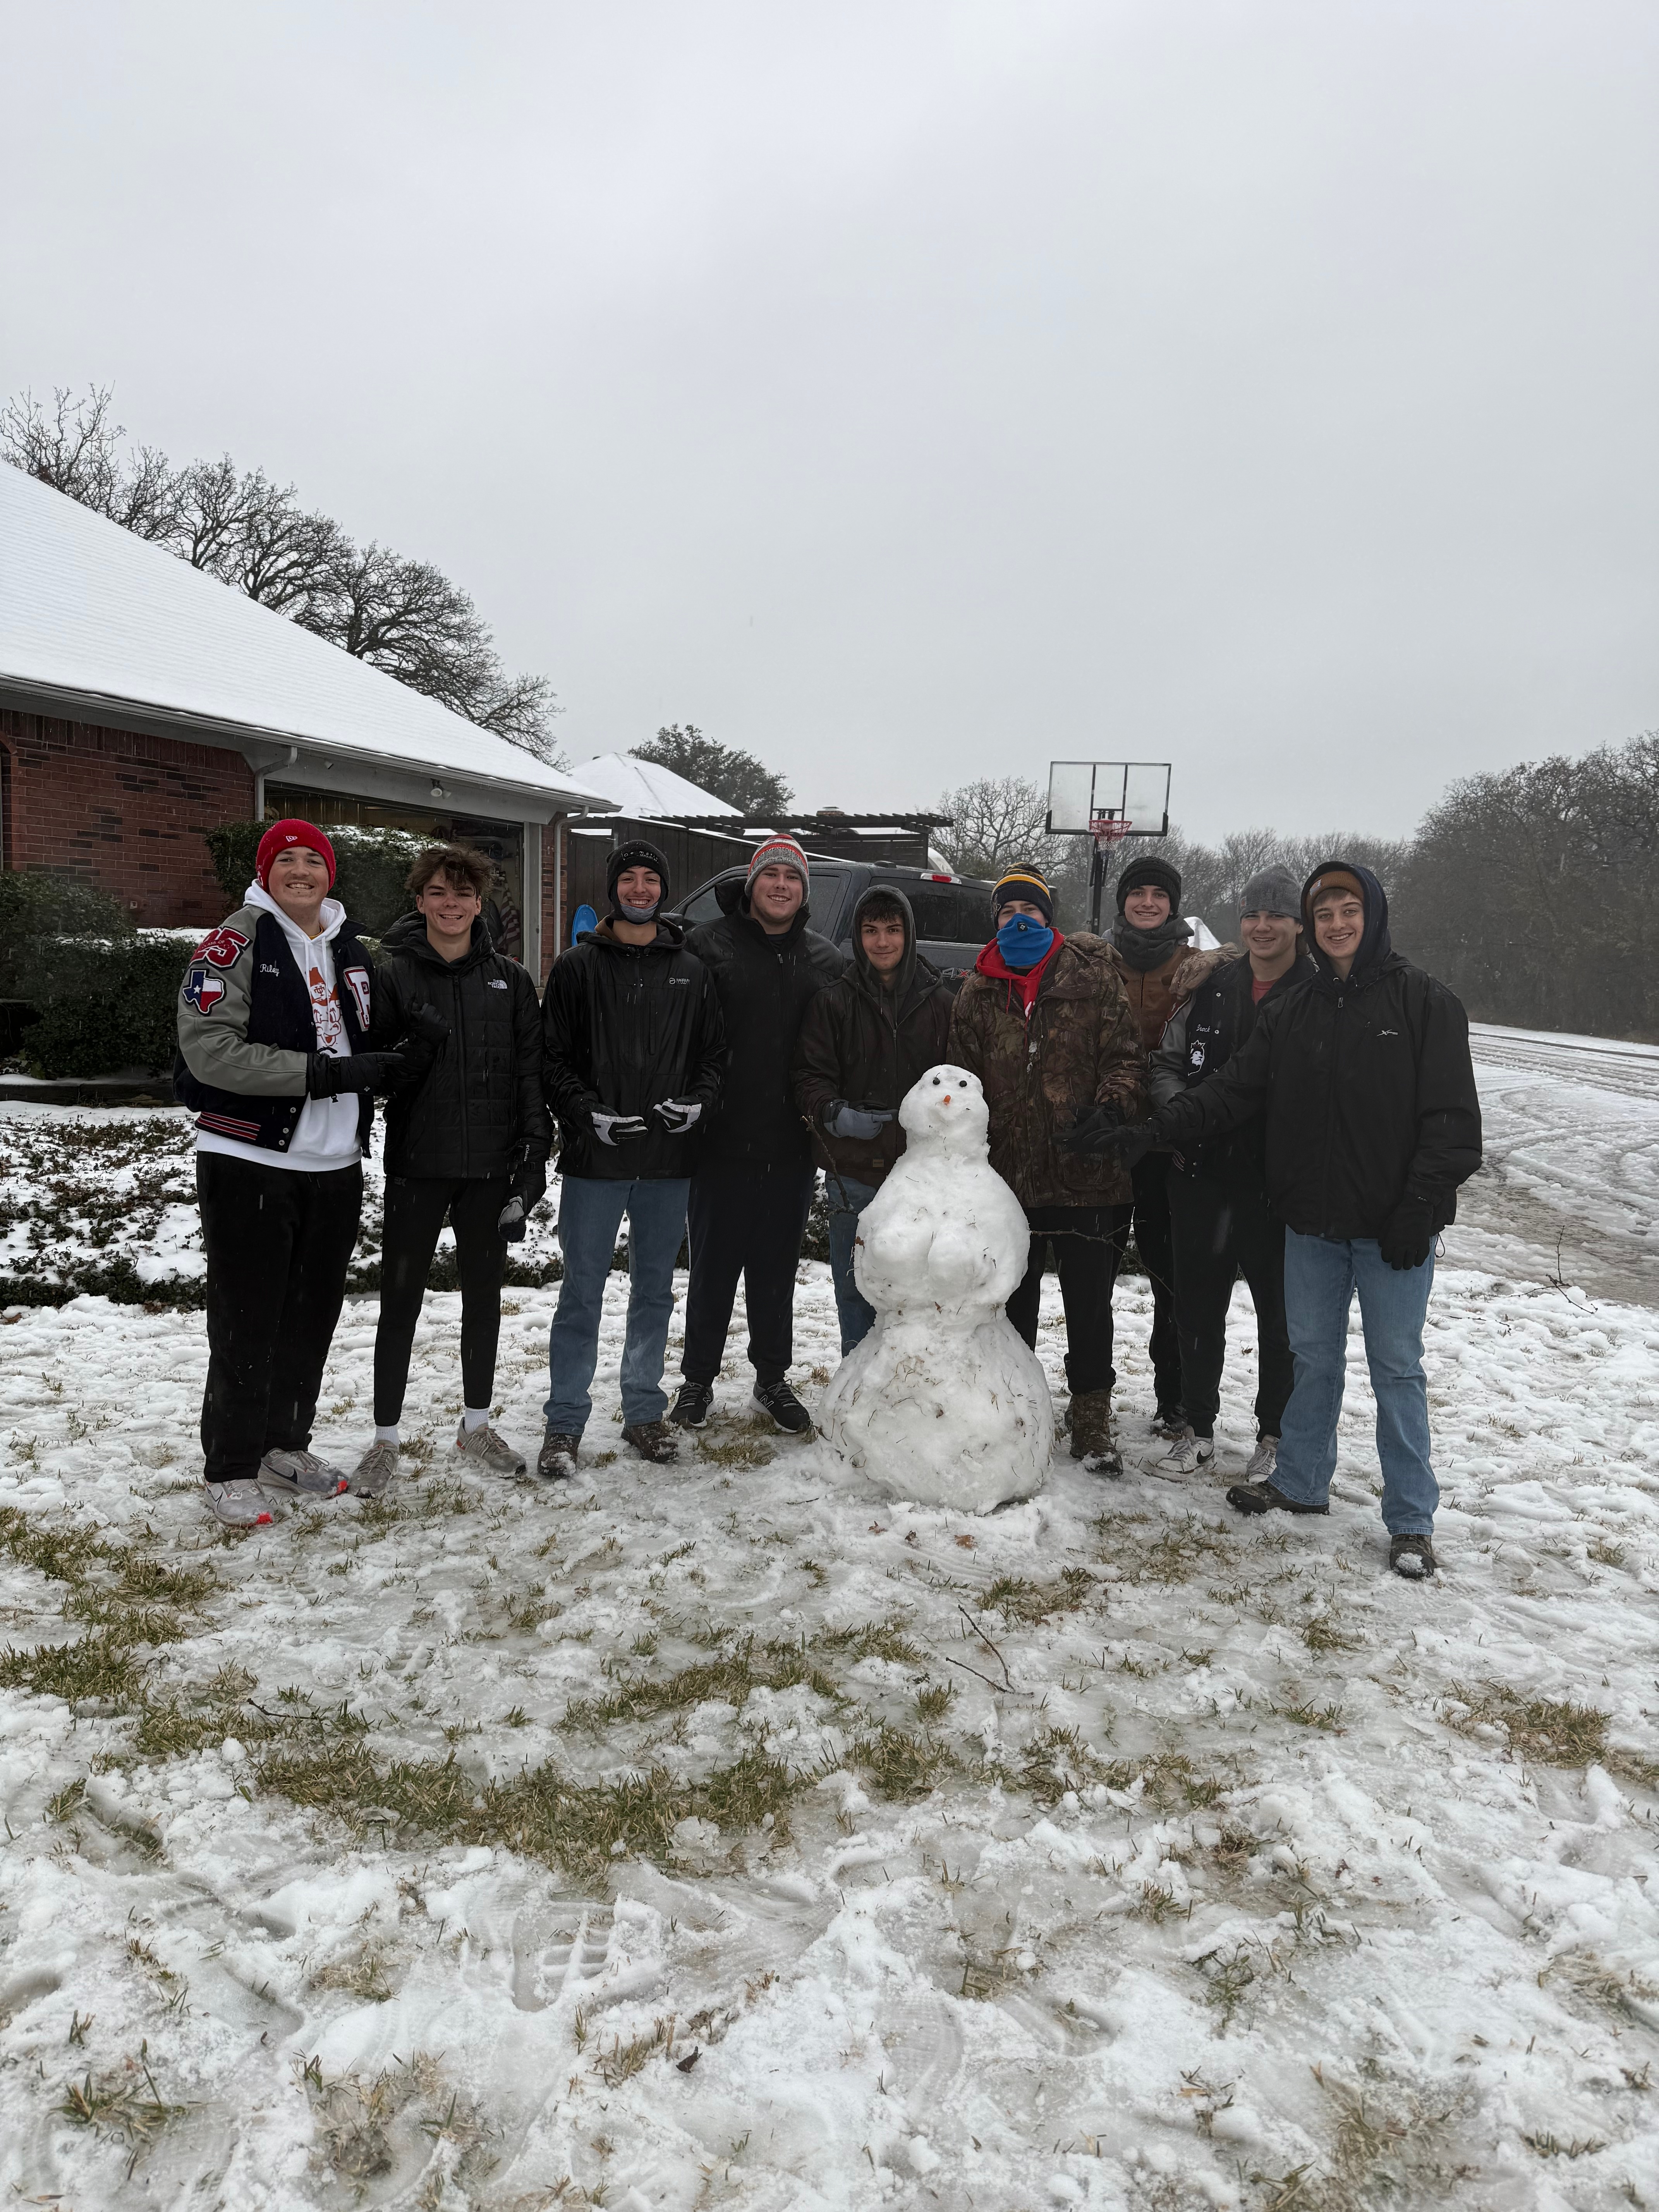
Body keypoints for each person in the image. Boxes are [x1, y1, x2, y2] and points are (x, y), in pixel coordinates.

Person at [1077, 859, 1482, 1578]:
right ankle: (1299, 1482)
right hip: (1313, 1226)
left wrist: (1417, 1206)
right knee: (1313, 1359)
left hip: (1394, 1229)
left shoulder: (1423, 1002)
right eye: (1324, 914)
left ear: (1372, 914)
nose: (1335, 925)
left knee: (1395, 1369)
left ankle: (1411, 1520)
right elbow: (1230, 1090)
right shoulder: (1293, 1009)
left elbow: (1452, 1124)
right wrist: (1151, 1131)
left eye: (1345, 911)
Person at [174, 819, 429, 1527]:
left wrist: (415, 1038)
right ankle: (229, 1465)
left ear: (329, 874)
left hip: (335, 1163)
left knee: (310, 1317)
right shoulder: (234, 941)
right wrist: (323, 1073)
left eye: (312, 860)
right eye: (284, 859)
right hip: (252, 1157)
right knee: (247, 1319)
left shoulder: (351, 944)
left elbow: (365, 1034)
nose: (299, 871)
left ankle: (284, 1444)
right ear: (265, 872)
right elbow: (210, 1050)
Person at [351, 844, 550, 1497]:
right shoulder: (393, 975)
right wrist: (416, 1042)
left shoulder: (511, 980)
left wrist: (531, 1155)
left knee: (483, 1300)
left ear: (479, 904)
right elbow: (376, 1072)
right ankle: (385, 1438)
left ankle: (476, 1424)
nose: (451, 904)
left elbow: (529, 1075)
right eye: (438, 892)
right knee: (400, 1301)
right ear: (419, 900)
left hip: (489, 1166)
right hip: (418, 1163)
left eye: (463, 894)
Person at [948, 864, 1144, 1472]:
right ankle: (1018, 1408)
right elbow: (959, 1082)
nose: (1018, 921)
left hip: (1088, 1177)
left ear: (1048, 918)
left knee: (1090, 1306)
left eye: (1029, 911)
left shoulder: (1094, 980)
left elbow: (1128, 1059)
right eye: (1007, 913)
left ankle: (1090, 1417)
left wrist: (1112, 1107)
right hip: (1007, 1183)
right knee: (1013, 1304)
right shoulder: (977, 991)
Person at [541, 839, 727, 1477]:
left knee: (653, 1291)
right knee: (582, 1292)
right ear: (615, 887)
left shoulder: (692, 969)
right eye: (631, 878)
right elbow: (552, 1060)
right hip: (597, 1159)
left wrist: (699, 1102)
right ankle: (564, 1421)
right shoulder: (575, 967)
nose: (641, 888)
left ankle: (643, 1410)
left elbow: (712, 1057)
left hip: (668, 1161)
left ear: (663, 890)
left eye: (651, 879)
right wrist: (585, 1113)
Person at [674, 835, 845, 1434]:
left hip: (790, 1143)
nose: (781, 885)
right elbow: (683, 1036)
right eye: (771, 874)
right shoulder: (707, 946)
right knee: (713, 1267)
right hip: (720, 1140)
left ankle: (772, 1377)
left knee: (775, 1270)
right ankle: (697, 1381)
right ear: (752, 885)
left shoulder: (824, 959)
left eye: (792, 879)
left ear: (804, 892)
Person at [1147, 866, 1312, 1480]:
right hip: (1202, 1177)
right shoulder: (1212, 986)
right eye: (1252, 914)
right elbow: (1165, 1062)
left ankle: (1274, 1435)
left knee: (1281, 1318)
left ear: (1298, 924)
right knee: (1197, 1311)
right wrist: (1178, 1117)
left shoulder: (1318, 993)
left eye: (1277, 915)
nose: (1262, 926)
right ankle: (1198, 1427)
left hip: (1279, 1190)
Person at [791, 884, 955, 1354]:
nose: (882, 942)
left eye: (893, 930)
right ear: (858, 937)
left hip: (924, 1173)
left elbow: (959, 1082)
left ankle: (913, 1383)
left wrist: (936, 1122)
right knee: (857, 1285)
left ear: (909, 935)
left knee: (918, 1288)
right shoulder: (834, 1002)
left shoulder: (940, 1003)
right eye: (870, 931)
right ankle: (858, 1383)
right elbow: (809, 1075)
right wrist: (834, 1113)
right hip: (855, 1172)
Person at [1107, 854, 1216, 1436]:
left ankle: (1174, 1397)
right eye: (1137, 893)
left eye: (1159, 894)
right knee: (1091, 1277)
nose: (1147, 902)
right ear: (1122, 902)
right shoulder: (1096, 961)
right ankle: (1090, 1393)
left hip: (1168, 1149)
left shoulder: (1199, 968)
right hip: (1107, 1145)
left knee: (1171, 1280)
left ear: (1173, 904)